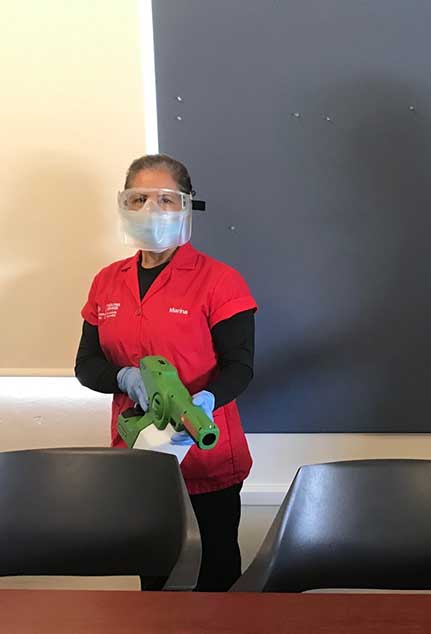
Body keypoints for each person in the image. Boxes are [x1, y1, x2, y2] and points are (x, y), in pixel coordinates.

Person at [75, 154, 257, 591]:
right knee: (155, 580)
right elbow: (87, 364)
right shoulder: (107, 282)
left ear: (187, 206)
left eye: (165, 199)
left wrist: (206, 401)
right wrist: (123, 377)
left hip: (205, 453)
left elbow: (240, 366)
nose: (151, 211)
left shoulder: (219, 280)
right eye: (138, 199)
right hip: (141, 457)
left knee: (214, 583)